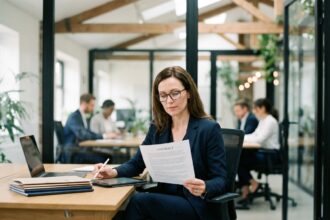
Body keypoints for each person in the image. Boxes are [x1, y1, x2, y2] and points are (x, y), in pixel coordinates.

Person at [93, 66, 227, 220]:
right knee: (120, 211)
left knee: (138, 202)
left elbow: (221, 180)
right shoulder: (158, 128)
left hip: (195, 204)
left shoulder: (208, 129)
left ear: (189, 92)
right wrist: (113, 172)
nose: (169, 101)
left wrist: (205, 187)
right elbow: (137, 163)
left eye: (175, 93)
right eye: (163, 95)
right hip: (165, 197)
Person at [237, 98, 280, 204]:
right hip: (263, 152)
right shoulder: (263, 121)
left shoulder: (270, 121)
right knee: (239, 158)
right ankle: (248, 186)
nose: (254, 111)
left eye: (256, 109)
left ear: (263, 108)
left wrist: (241, 138)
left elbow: (259, 139)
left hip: (270, 155)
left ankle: (253, 183)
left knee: (238, 161)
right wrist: (240, 137)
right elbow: (254, 135)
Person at [63, 94, 114, 163]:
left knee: (108, 155)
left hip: (80, 150)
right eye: (91, 105)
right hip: (74, 152)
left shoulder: (82, 116)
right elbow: (83, 135)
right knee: (106, 158)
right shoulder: (74, 117)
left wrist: (104, 136)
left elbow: (88, 132)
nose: (93, 108)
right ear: (84, 104)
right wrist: (103, 136)